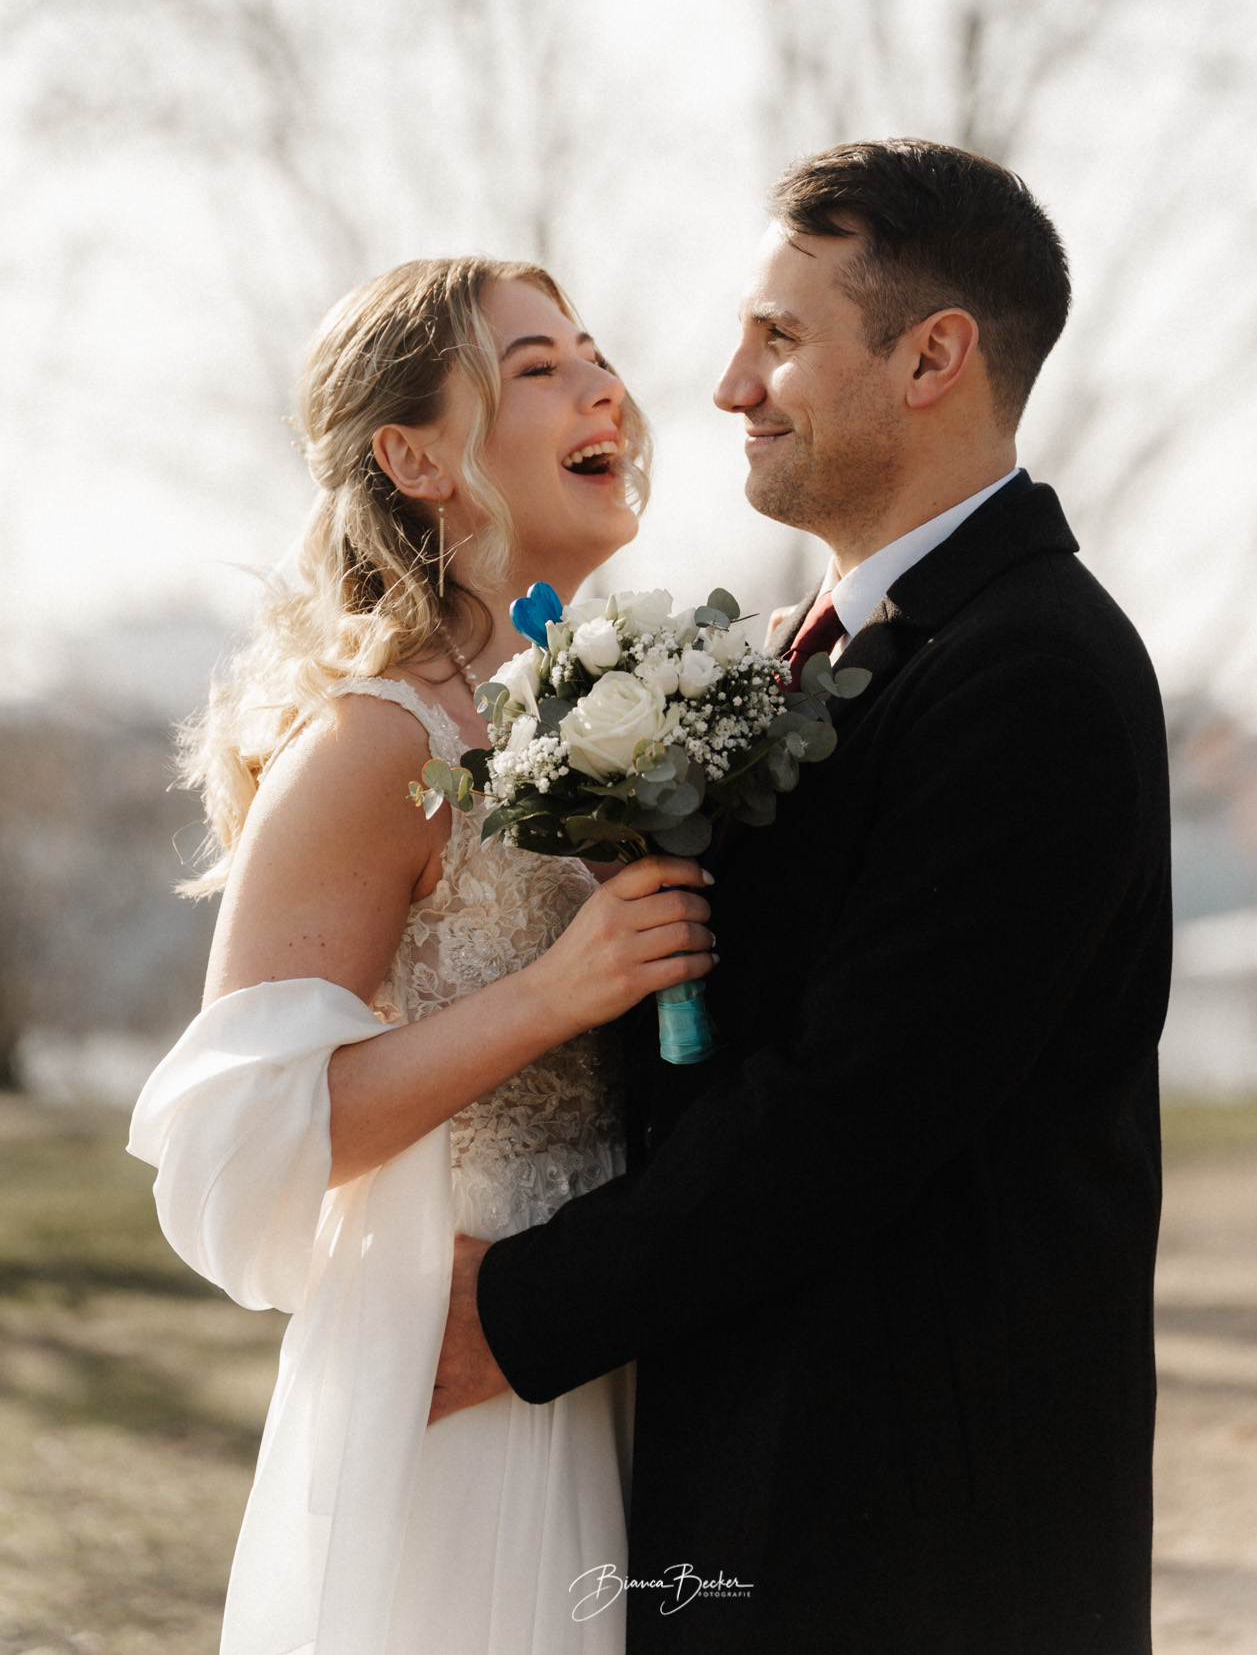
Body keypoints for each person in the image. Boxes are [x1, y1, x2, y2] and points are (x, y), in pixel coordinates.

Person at [433, 142, 1174, 1654]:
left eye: (779, 339)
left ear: (932, 357)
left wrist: (512, 1314)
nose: (723, 386)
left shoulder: (1034, 674)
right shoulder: (822, 649)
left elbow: (852, 1111)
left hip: (921, 1533)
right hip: (767, 1478)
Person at [127, 256, 715, 1655]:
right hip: (464, 1385)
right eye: (536, 366)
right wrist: (554, 994)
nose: (604, 387)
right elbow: (247, 1136)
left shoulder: (605, 705)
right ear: (414, 455)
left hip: (629, 1343)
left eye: (594, 353)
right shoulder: (375, 743)